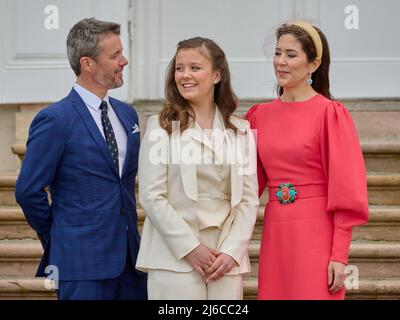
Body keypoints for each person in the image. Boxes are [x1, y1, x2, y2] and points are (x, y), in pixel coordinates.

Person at [15, 18, 147, 300]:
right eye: (115, 55)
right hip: (80, 265)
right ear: (87, 63)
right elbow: (28, 191)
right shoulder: (55, 120)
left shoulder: (127, 115)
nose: (124, 61)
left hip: (131, 263)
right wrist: (59, 236)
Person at [246, 21, 369, 300]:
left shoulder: (330, 114)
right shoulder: (258, 116)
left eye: (291, 55)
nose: (280, 62)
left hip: (317, 233)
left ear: (313, 64)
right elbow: (247, 186)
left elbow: (347, 191)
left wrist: (339, 254)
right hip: (277, 232)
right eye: (278, 53)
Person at [136, 37, 259, 300]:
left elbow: (249, 200)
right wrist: (190, 248)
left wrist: (232, 251)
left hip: (225, 260)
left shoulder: (242, 131)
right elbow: (151, 196)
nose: (185, 75)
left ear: (217, 75)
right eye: (179, 68)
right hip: (174, 257)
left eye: (195, 68)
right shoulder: (161, 127)